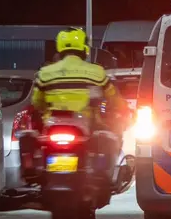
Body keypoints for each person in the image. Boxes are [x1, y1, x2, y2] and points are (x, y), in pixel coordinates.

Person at [23, 28, 130, 199]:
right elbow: (113, 98)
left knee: (31, 139)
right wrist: (124, 110)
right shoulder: (96, 72)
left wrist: (45, 113)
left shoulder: (45, 74)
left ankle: (36, 171)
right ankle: (102, 177)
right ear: (83, 48)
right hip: (85, 126)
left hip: (52, 125)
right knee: (109, 139)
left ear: (59, 48)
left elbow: (36, 102)